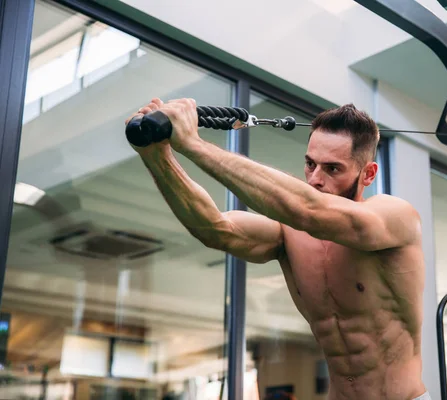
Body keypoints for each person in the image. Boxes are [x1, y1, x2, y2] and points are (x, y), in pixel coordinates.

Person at [126, 98, 429, 400]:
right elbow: (215, 228)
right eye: (310, 164)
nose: (315, 179)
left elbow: (310, 210)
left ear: (368, 174)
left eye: (333, 169)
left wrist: (193, 144)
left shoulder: (393, 217)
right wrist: (157, 156)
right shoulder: (291, 233)